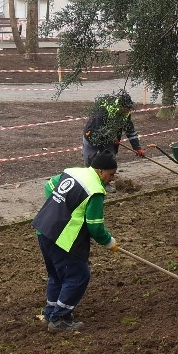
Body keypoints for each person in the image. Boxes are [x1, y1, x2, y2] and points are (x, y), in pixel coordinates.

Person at [33, 152, 120, 333]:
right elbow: (95, 227)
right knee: (78, 276)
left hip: (43, 228)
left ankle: (50, 313)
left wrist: (61, 209)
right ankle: (59, 319)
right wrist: (110, 242)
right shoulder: (95, 190)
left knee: (57, 275)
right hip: (62, 238)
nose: (111, 179)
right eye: (110, 174)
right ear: (100, 170)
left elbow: (49, 186)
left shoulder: (73, 172)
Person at [82, 90, 146, 167]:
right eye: (127, 109)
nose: (128, 111)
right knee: (91, 159)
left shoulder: (126, 114)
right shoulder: (103, 110)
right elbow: (98, 129)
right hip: (92, 136)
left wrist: (137, 148)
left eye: (129, 109)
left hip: (110, 139)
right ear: (120, 106)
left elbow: (130, 131)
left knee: (110, 159)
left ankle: (108, 176)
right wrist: (111, 137)